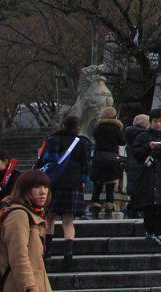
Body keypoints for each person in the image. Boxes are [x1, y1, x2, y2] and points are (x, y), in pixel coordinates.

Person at [36, 114, 91, 267]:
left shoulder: (53, 139)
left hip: (54, 183)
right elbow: (86, 164)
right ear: (77, 126)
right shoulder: (82, 143)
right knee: (68, 221)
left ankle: (47, 251)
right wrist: (82, 180)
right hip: (74, 183)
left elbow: (48, 160)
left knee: (49, 218)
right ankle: (68, 254)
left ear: (63, 125)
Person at [0, 168, 52, 292]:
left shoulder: (33, 214)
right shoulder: (19, 215)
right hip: (21, 285)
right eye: (37, 187)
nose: (43, 192)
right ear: (24, 190)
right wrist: (30, 288)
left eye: (46, 187)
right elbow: (18, 257)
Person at [130, 108, 161, 244]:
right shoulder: (142, 137)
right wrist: (148, 147)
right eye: (155, 121)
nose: (158, 124)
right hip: (147, 176)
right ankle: (150, 231)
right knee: (149, 208)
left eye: (160, 121)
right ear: (150, 122)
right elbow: (136, 154)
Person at [87, 107, 124, 218]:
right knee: (110, 184)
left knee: (98, 183)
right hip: (112, 158)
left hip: (99, 157)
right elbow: (122, 141)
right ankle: (109, 204)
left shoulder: (97, 128)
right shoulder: (116, 129)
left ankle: (94, 203)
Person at [122, 114, 148, 218]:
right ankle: (135, 208)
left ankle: (132, 208)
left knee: (133, 188)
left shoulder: (128, 134)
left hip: (131, 165)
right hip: (141, 165)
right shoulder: (145, 136)